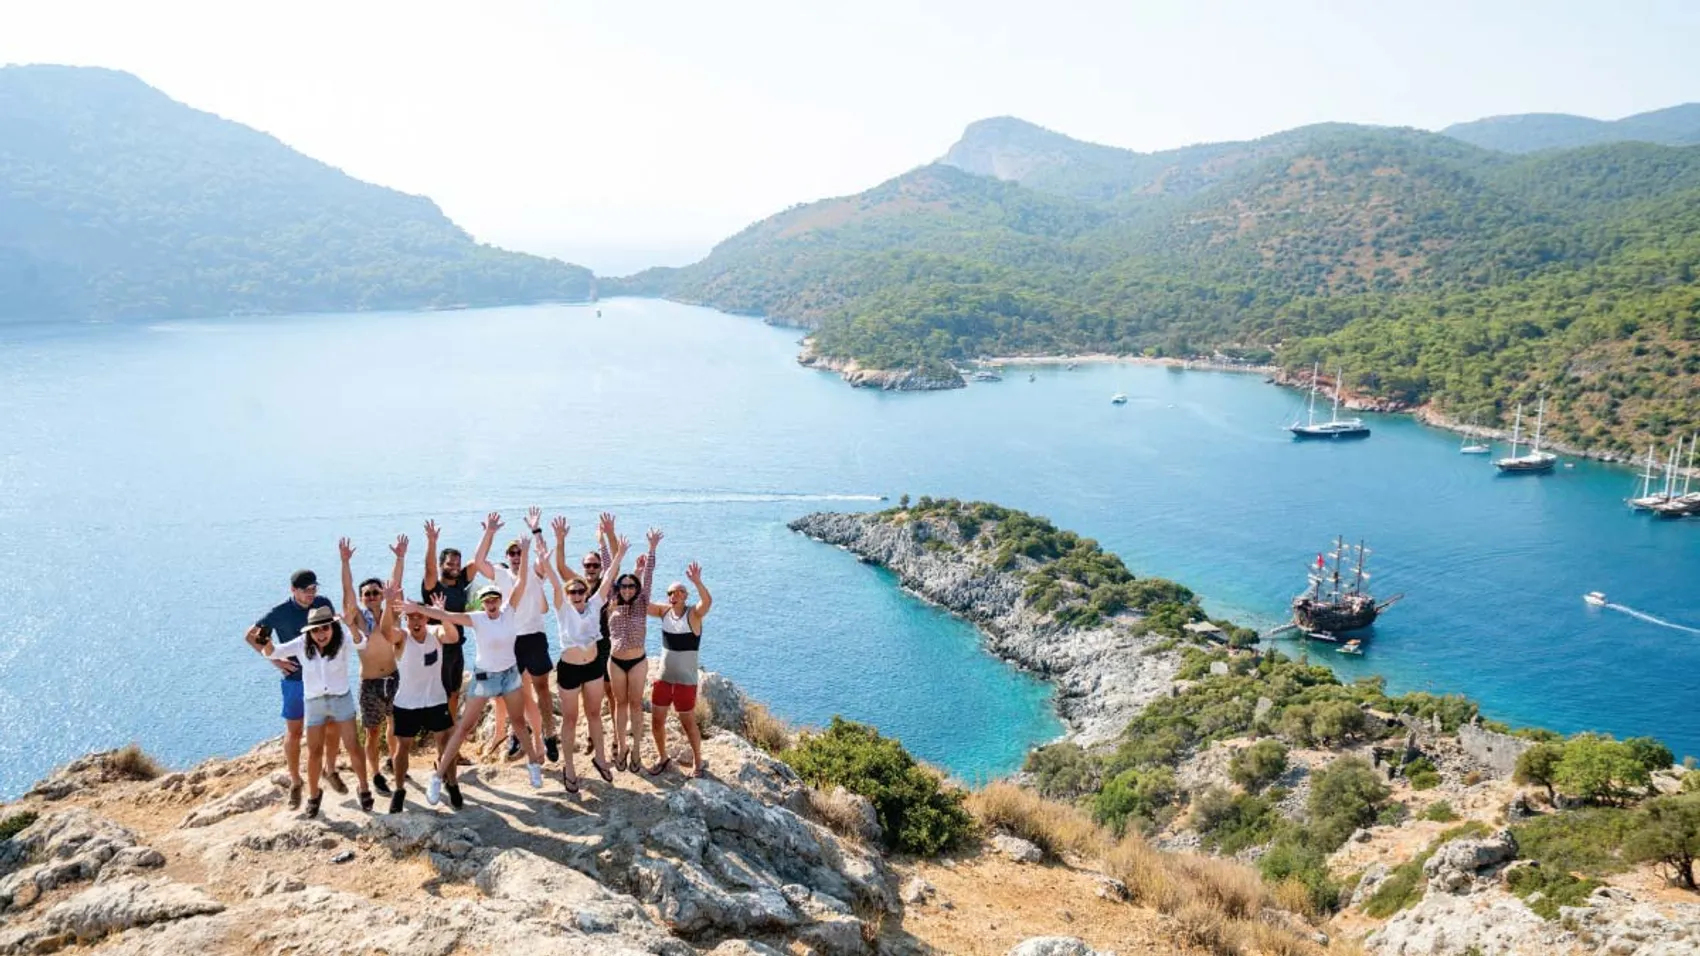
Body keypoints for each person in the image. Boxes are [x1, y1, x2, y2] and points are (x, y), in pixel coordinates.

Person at [401, 522, 546, 807]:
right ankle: (438, 775)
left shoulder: (508, 611)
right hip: (484, 678)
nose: (491, 603)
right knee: (464, 728)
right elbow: (445, 615)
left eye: (494, 599)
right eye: (486, 600)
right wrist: (417, 608)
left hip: (509, 676)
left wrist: (526, 551)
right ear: (481, 603)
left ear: (499, 601)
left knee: (519, 723)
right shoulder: (476, 618)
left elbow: (521, 583)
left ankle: (533, 765)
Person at [253, 605, 374, 816]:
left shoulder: (343, 638)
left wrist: (351, 624)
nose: (320, 634)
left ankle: (364, 788)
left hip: (340, 699)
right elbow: (274, 652)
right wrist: (265, 640)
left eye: (325, 628)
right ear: (309, 631)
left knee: (353, 745)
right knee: (315, 751)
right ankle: (314, 795)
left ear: (332, 627)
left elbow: (361, 642)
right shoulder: (301, 644)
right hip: (315, 703)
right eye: (315, 630)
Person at [244, 569, 339, 809]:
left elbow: (334, 630)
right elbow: (251, 636)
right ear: (293, 590)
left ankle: (329, 770)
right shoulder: (279, 613)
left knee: (330, 725)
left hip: (322, 677)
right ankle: (296, 781)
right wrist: (275, 661)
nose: (311, 595)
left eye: (313, 589)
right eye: (306, 591)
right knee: (294, 731)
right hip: (295, 679)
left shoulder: (323, 604)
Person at [541, 532, 628, 791]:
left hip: (592, 668)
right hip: (569, 671)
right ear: (568, 595)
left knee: (594, 715)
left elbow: (610, 576)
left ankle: (600, 759)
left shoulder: (594, 604)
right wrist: (545, 554)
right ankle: (569, 767)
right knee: (570, 720)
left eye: (581, 591)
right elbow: (556, 583)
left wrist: (620, 553)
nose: (578, 594)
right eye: (573, 591)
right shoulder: (562, 609)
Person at [473, 507, 550, 762]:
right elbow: (478, 560)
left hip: (534, 638)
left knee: (535, 693)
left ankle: (540, 741)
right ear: (507, 556)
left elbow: (543, 556)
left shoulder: (535, 573)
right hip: (512, 642)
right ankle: (524, 739)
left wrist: (536, 530)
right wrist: (490, 533)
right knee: (522, 695)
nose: (517, 556)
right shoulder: (502, 575)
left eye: (520, 552)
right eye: (512, 553)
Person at [341, 536, 407, 795]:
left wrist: (400, 558)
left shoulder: (392, 611)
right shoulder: (359, 617)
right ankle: (376, 773)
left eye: (375, 593)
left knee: (395, 726)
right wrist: (345, 562)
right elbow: (347, 593)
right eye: (366, 594)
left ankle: (393, 761)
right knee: (372, 732)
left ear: (382, 595)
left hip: (394, 677)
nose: (371, 596)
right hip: (370, 683)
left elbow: (396, 584)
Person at [421, 516, 499, 726]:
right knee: (441, 696)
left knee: (454, 693)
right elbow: (429, 570)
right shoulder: (433, 587)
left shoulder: (461, 581)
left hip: (457, 647)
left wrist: (488, 533)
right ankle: (442, 744)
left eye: (457, 563)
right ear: (441, 565)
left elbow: (477, 561)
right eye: (449, 563)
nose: (455, 567)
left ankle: (450, 740)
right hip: (438, 648)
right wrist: (432, 542)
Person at [387, 585, 458, 812]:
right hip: (407, 703)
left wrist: (442, 613)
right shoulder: (402, 638)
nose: (416, 621)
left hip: (435, 700)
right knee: (402, 747)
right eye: (411, 617)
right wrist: (389, 605)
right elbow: (387, 632)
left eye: (421, 616)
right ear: (406, 620)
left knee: (445, 744)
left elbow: (453, 636)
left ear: (427, 618)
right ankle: (399, 790)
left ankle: (452, 783)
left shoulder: (436, 633)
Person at [553, 512, 617, 757]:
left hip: (604, 642)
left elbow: (615, 565)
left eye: (595, 565)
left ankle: (613, 739)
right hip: (580, 649)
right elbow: (559, 567)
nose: (590, 569)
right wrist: (560, 540)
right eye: (587, 565)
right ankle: (592, 736)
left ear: (600, 568)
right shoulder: (576, 586)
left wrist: (608, 535)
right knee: (585, 695)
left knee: (610, 693)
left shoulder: (603, 587)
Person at [646, 562, 713, 777]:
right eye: (670, 593)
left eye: (679, 592)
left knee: (688, 723)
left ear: (685, 595)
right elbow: (642, 603)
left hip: (685, 681)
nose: (674, 595)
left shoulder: (693, 615)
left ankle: (698, 762)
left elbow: (707, 602)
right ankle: (662, 757)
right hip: (663, 679)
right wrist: (644, 569)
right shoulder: (663, 612)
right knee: (656, 721)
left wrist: (697, 582)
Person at [606, 527, 662, 772]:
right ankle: (621, 746)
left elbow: (648, 575)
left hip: (637, 661)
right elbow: (609, 572)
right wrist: (610, 547)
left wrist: (652, 549)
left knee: (636, 705)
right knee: (620, 705)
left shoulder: (641, 604)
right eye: (624, 586)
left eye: (631, 586)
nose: (628, 589)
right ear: (619, 588)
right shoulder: (612, 601)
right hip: (615, 661)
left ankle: (637, 750)